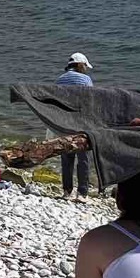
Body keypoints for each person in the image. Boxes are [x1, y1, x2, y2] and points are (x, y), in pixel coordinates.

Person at [56, 53, 95, 200]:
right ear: (80, 65)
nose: (86, 69)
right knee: (83, 158)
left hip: (63, 122)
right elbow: (90, 101)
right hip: (81, 122)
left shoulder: (59, 80)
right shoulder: (85, 80)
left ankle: (67, 192)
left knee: (66, 157)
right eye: (85, 66)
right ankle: (82, 193)